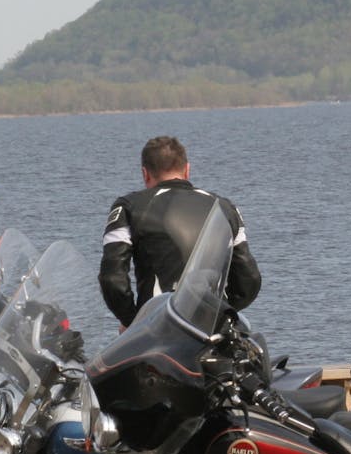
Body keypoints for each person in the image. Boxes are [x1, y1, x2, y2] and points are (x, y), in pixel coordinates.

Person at [99, 135, 261, 328]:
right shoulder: (225, 208)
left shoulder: (129, 207)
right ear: (187, 170)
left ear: (145, 173)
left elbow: (112, 279)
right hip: (211, 330)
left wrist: (132, 322)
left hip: (157, 328)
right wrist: (221, 312)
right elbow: (249, 280)